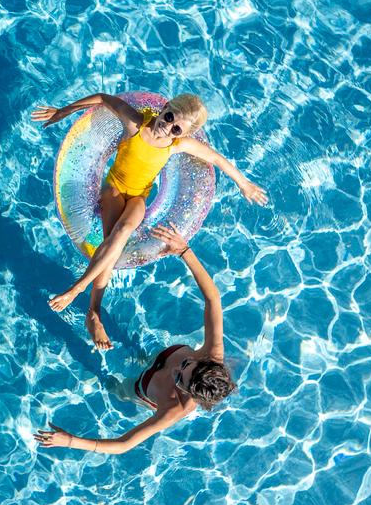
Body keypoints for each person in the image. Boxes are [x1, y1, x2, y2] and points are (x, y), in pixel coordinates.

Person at [32, 92, 267, 350]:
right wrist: (62, 111)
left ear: (183, 134)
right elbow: (102, 98)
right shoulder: (135, 123)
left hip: (138, 197)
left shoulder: (176, 145)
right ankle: (90, 308)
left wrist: (244, 184)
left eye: (176, 128)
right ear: (164, 107)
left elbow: (216, 158)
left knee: (123, 231)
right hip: (114, 189)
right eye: (169, 117)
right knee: (113, 241)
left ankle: (82, 296)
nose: (167, 127)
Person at [34, 224, 237, 454]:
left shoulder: (174, 408)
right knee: (141, 352)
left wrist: (70, 441)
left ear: (190, 392)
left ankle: (108, 382)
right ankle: (135, 351)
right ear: (203, 361)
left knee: (119, 388)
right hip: (161, 355)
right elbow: (213, 298)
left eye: (180, 379)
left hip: (142, 388)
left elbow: (124, 444)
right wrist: (184, 251)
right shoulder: (212, 353)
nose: (176, 370)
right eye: (185, 364)